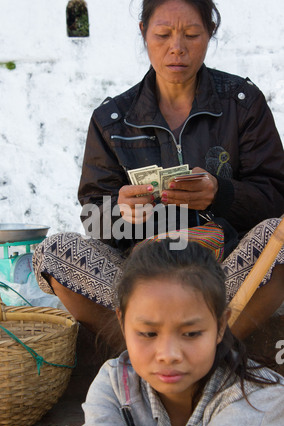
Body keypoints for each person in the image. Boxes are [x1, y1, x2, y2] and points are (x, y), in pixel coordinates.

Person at [33, 0, 284, 353]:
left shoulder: (242, 105)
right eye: (163, 34)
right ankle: (145, 360)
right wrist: (122, 212)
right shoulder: (112, 120)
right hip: (142, 281)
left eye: (192, 34)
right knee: (56, 251)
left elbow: (275, 196)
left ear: (210, 33)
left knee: (283, 237)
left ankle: (213, 355)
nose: (176, 48)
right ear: (143, 33)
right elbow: (94, 218)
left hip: (225, 273)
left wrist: (220, 193)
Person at [79, 240, 284, 426]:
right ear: (123, 324)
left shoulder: (260, 402)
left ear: (221, 326)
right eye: (149, 333)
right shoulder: (114, 384)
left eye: (191, 334)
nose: (168, 355)